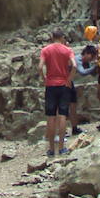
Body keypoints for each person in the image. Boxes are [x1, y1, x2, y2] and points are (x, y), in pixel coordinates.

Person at [39, 27, 75, 157]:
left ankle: (50, 149)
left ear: (52, 37)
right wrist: (69, 79)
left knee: (50, 116)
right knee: (62, 115)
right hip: (63, 85)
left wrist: (44, 78)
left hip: (50, 85)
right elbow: (74, 65)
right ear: (62, 37)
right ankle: (61, 147)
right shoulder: (68, 50)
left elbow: (40, 66)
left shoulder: (45, 50)